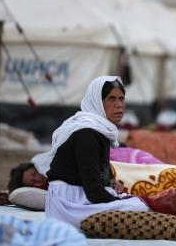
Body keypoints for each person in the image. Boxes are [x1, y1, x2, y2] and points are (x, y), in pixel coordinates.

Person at [32, 76, 149, 228]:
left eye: (121, 99)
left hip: (80, 194)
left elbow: (98, 177)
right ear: (98, 102)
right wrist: (120, 201)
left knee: (136, 202)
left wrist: (111, 182)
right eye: (111, 99)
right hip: (69, 203)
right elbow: (94, 192)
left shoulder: (101, 129)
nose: (119, 105)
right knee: (139, 207)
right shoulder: (86, 133)